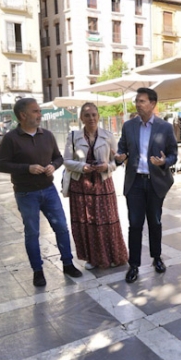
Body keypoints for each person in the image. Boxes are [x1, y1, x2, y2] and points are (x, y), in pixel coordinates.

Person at [0, 98, 82, 287]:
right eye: (35, 111)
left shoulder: (47, 135)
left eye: (39, 111)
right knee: (32, 233)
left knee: (61, 228)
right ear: (23, 115)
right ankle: (38, 271)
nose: (39, 115)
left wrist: (53, 166)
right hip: (26, 194)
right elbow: (0, 165)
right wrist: (27, 168)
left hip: (49, 190)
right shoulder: (11, 138)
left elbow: (58, 158)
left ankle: (68, 264)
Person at [114, 87, 178, 284]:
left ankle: (156, 258)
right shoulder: (128, 126)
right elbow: (121, 149)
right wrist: (118, 157)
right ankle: (133, 265)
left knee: (155, 222)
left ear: (152, 104)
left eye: (141, 101)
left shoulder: (165, 127)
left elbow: (174, 154)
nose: (137, 104)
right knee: (134, 224)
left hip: (155, 182)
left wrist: (164, 162)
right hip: (134, 183)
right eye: (136, 101)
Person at [63, 103, 127, 270]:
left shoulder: (108, 135)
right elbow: (66, 161)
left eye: (93, 114)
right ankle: (92, 258)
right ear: (81, 118)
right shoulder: (73, 136)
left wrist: (108, 167)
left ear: (98, 116)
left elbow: (117, 159)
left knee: (108, 220)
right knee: (86, 222)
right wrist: (81, 167)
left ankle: (113, 256)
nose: (91, 118)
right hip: (81, 185)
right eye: (87, 115)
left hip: (103, 183)